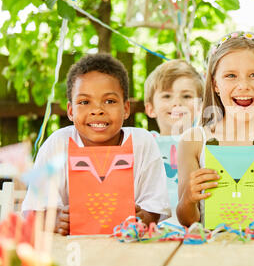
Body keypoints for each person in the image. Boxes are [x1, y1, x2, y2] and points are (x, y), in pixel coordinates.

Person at [21, 53, 171, 235]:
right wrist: (55, 221)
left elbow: (154, 208)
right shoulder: (57, 144)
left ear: (125, 109)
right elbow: (32, 210)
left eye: (109, 101)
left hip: (129, 248)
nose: (97, 110)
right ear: (70, 111)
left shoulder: (142, 143)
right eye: (84, 102)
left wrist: (142, 218)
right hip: (70, 250)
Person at [176, 31, 254, 228]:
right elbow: (187, 219)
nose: (243, 85)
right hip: (212, 251)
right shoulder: (192, 141)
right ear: (215, 83)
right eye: (230, 76)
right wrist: (189, 198)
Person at [144, 59, 204, 225]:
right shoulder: (145, 145)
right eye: (167, 96)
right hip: (153, 232)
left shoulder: (205, 144)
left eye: (186, 96)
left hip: (198, 230)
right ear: (150, 108)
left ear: (200, 107)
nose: (177, 102)